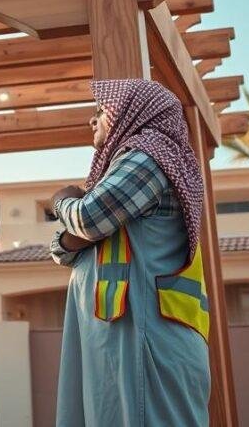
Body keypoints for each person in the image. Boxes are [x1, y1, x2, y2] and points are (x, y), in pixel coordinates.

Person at [49, 79, 211, 426]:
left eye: (100, 111)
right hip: (123, 333)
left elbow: (88, 220)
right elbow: (68, 244)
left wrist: (61, 200)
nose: (92, 121)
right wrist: (71, 234)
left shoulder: (150, 156)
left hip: (145, 336)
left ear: (133, 112)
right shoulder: (131, 164)